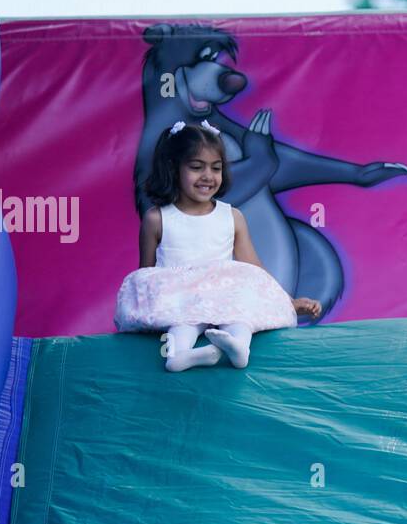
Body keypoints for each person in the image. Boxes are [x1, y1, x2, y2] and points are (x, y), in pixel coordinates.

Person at [115, 120, 322, 371]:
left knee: (240, 316)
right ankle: (178, 356)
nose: (208, 176)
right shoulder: (157, 219)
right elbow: (145, 275)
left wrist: (289, 301)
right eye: (196, 167)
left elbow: (254, 269)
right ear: (173, 168)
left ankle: (238, 347)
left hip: (223, 296)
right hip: (181, 298)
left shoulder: (231, 216)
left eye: (216, 168)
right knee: (183, 323)